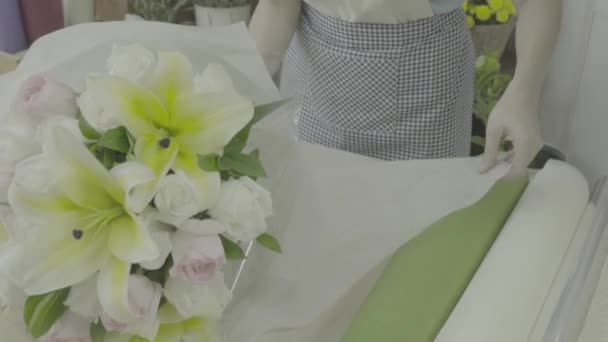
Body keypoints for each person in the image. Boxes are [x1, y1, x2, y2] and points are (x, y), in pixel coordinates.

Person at [249, 0, 562, 178]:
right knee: (313, 223)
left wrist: (523, 93)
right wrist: (242, 93)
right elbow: (278, 6)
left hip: (428, 92)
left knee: (421, 236)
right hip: (315, 85)